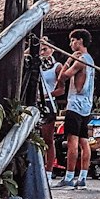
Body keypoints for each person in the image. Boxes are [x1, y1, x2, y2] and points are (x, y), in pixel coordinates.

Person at [55, 28, 95, 190]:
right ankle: (83, 177)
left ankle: (70, 176)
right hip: (87, 104)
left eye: (72, 40)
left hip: (76, 104)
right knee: (84, 141)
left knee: (73, 141)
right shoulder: (90, 59)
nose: (70, 44)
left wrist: (68, 60)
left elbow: (62, 77)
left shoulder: (80, 60)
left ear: (79, 41)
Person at [37, 38, 62, 175]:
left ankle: (49, 171)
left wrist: (45, 95)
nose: (42, 52)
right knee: (34, 138)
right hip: (35, 102)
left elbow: (61, 89)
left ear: (52, 50)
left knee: (48, 139)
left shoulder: (57, 67)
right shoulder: (35, 64)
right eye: (41, 50)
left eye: (45, 49)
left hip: (48, 103)